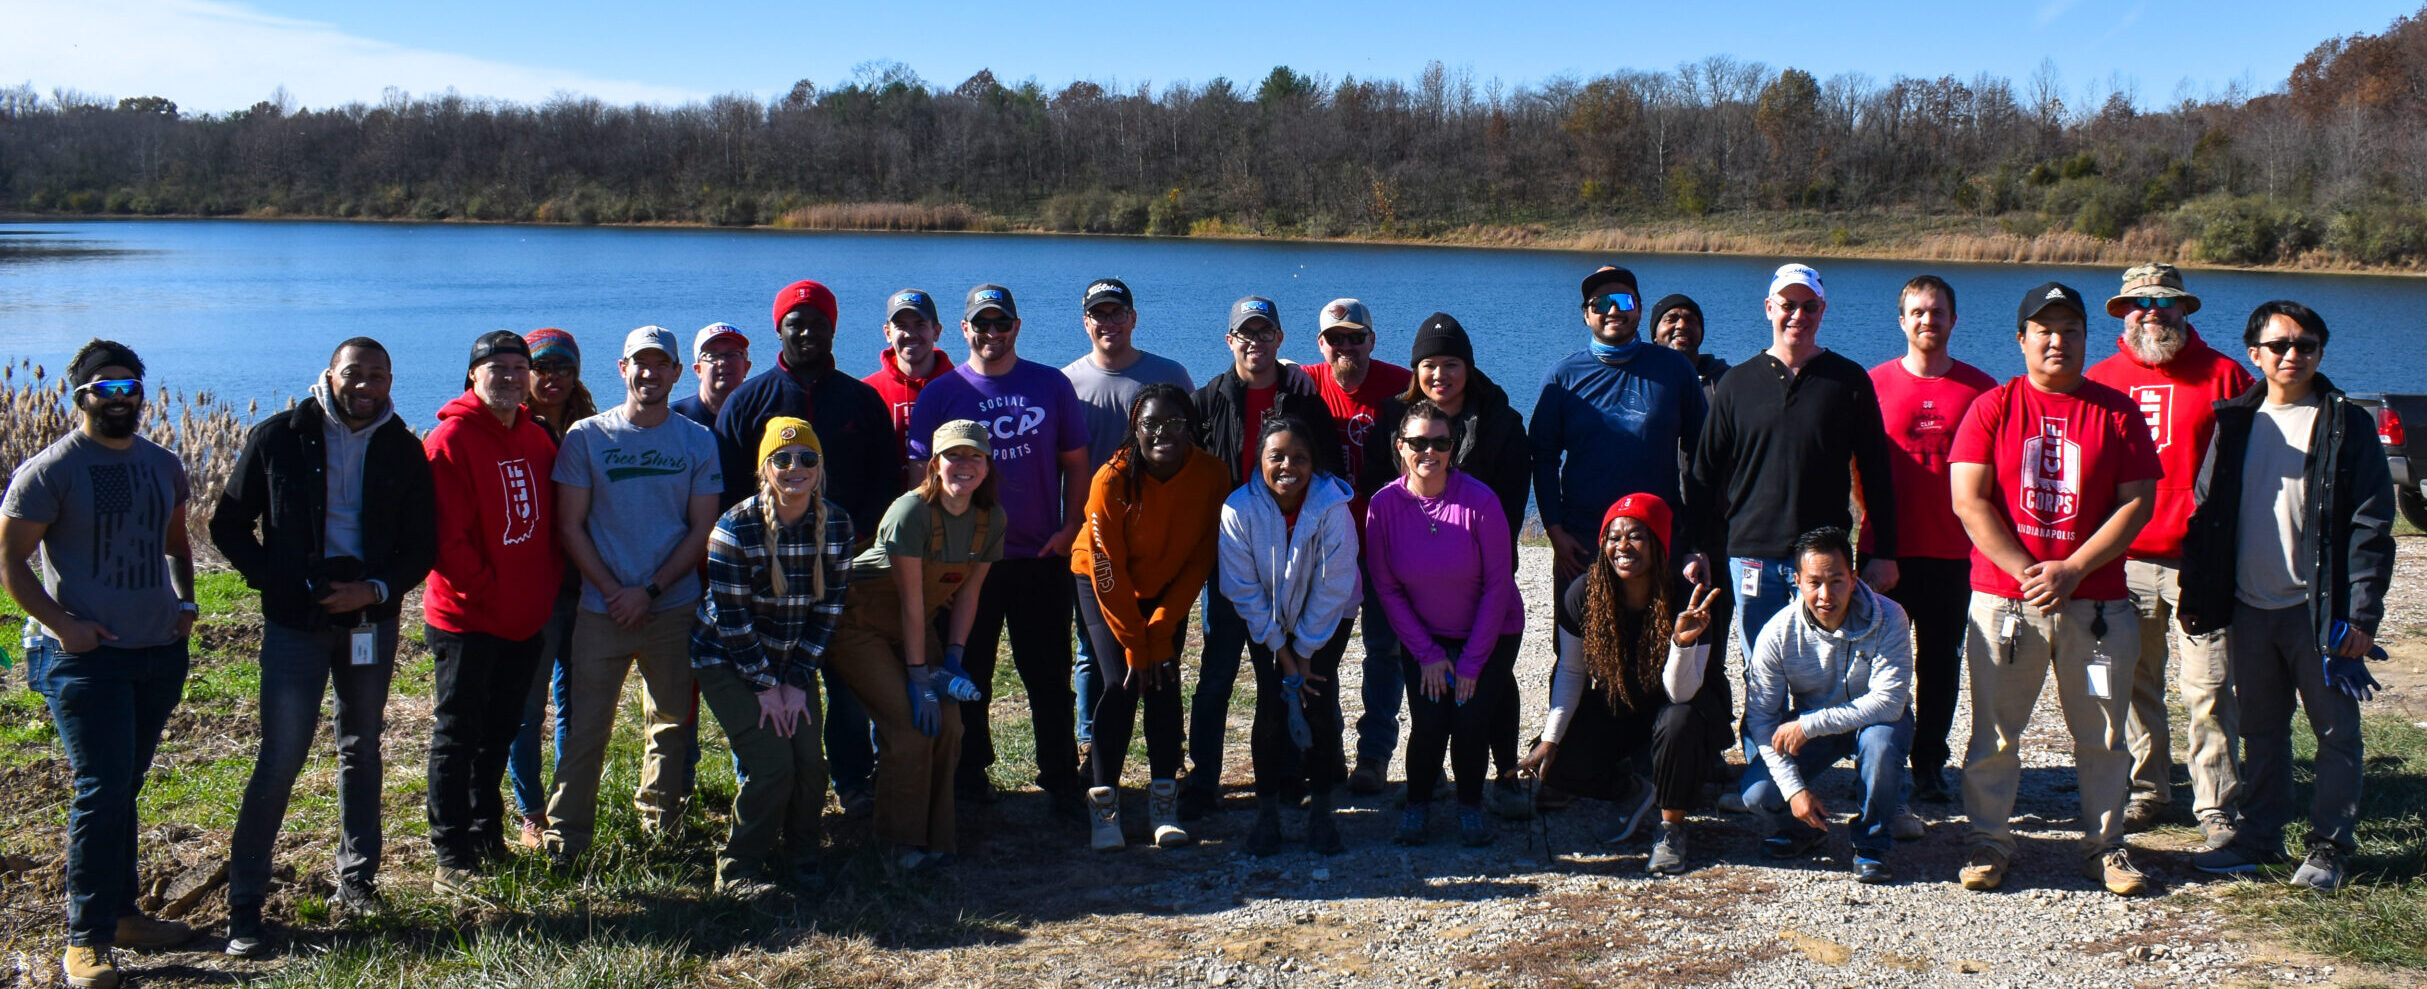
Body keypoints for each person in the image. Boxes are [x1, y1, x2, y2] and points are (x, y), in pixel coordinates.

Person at [210, 337, 435, 956]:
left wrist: (374, 588)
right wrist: (282, 582)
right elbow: (227, 525)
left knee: (362, 748)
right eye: (353, 374)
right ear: (329, 376)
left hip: (370, 620)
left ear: (391, 381)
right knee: (281, 756)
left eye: (378, 375)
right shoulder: (278, 437)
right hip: (295, 622)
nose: (365, 386)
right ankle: (245, 904)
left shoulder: (403, 448)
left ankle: (357, 881)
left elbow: (422, 544)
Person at [1949, 282, 2161, 896]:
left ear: (2087, 340)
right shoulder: (1992, 407)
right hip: (2006, 603)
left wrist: (2073, 569)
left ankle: (2106, 846)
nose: (2057, 341)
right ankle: (1989, 840)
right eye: (2044, 330)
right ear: (2022, 339)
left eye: (2070, 330)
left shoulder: (2116, 412)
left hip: (2097, 606)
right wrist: (2031, 573)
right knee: (1994, 731)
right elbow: (1969, 501)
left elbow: (2137, 504)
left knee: (2104, 732)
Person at [2, 340, 199, 988]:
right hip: (84, 661)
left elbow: (176, 543)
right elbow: (11, 562)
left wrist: (186, 604)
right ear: (82, 395)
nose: (120, 399)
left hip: (157, 652)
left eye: (129, 387)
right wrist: (64, 626)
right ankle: (85, 940)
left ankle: (121, 914)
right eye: (105, 388)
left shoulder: (164, 465)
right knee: (102, 788)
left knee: (123, 786)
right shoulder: (50, 471)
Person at [2185, 301, 2395, 891]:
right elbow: (2208, 510)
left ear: (2321, 352)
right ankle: (2259, 838)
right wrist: (2200, 594)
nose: (2292, 355)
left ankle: (2330, 848)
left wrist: (2360, 615)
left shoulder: (2345, 424)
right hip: (2250, 608)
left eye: (2306, 345)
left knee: (2335, 734)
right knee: (2262, 731)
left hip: (2319, 614)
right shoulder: (2235, 422)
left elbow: (2371, 525)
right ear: (2255, 354)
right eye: (2279, 346)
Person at [905, 283, 1093, 816]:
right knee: (970, 673)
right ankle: (969, 778)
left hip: (1039, 557)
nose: (992, 333)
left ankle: (1060, 777)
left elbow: (1076, 462)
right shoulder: (941, 393)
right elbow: (920, 476)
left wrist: (1071, 525)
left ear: (1016, 326)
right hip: (966, 563)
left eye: (1001, 323)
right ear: (964, 329)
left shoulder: (1050, 385)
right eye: (981, 324)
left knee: (1048, 676)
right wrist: (937, 550)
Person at [2083, 263, 2254, 845]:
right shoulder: (2101, 380)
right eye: (2140, 304)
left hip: (2200, 562)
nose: (2152, 313)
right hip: (2123, 561)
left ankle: (2215, 805)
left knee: (2208, 687)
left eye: (2164, 302)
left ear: (2184, 309)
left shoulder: (2225, 375)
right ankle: (2148, 790)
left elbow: (2250, 469)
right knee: (2132, 682)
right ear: (2122, 314)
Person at [717, 280, 897, 818]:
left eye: (818, 323)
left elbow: (885, 481)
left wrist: (855, 540)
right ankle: (765, 784)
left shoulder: (860, 400)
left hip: (845, 565)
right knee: (768, 685)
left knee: (846, 685)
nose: (807, 332)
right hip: (766, 575)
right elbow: (727, 487)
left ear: (833, 329)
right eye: (796, 323)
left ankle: (852, 780)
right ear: (779, 330)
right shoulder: (748, 401)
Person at [544, 326, 724, 863]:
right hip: (601, 610)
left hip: (672, 607)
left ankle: (660, 827)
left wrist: (650, 589)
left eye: (661, 363)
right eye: (639, 363)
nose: (650, 373)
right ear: (622, 369)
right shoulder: (587, 437)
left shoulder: (697, 440)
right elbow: (570, 525)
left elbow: (701, 528)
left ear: (676, 372)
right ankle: (566, 837)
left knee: (669, 724)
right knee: (586, 727)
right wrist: (613, 591)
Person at [1358, 313, 1532, 811]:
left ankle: (1505, 773)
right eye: (1429, 365)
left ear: (1468, 368)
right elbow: (1379, 488)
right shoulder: (1394, 418)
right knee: (1421, 678)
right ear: (1416, 370)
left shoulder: (1499, 421)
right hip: (1413, 574)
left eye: (1451, 364)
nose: (1440, 375)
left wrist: (1490, 562)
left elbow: (1512, 506)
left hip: (1482, 567)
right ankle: (1425, 773)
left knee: (1492, 680)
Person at [1183, 295, 1342, 820]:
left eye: (1264, 332)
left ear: (1279, 339)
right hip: (1230, 557)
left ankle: (1289, 775)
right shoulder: (1208, 400)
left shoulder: (1303, 401)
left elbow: (1330, 472)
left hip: (1291, 558)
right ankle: (1203, 780)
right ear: (1230, 340)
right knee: (1218, 674)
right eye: (1245, 334)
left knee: (1284, 673)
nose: (1255, 342)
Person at [1690, 262, 1900, 657]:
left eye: (1809, 306)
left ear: (1822, 311)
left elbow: (1876, 471)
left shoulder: (1848, 381)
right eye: (1788, 305)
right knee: (1761, 667)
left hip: (1824, 557)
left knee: (1825, 665)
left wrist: (1885, 551)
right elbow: (1705, 473)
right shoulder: (1737, 384)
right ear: (1769, 308)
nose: (1798, 316)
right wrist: (1696, 546)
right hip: (1753, 555)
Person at [821, 420, 1003, 870]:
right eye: (953, 455)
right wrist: (920, 676)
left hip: (916, 628)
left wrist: (954, 657)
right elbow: (909, 600)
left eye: (974, 456)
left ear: (987, 465)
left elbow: (969, 595)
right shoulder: (911, 512)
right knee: (907, 723)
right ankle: (897, 843)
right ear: (935, 464)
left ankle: (936, 834)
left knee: (949, 723)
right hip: (859, 625)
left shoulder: (991, 519)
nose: (964, 465)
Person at [421, 330, 564, 894]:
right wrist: (490, 591)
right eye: (496, 368)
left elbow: (552, 523)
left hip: (525, 617)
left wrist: (542, 589)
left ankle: (487, 836)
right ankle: (451, 853)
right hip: (467, 620)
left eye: (517, 368)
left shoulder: (536, 437)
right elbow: (446, 539)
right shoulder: (449, 440)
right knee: (458, 735)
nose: (508, 377)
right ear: (473, 375)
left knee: (500, 732)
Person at [1517, 493, 1725, 876]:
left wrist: (1681, 642)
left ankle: (1671, 827)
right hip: (1624, 702)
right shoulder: (1584, 593)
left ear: (1659, 544)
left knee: (1677, 720)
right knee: (1553, 762)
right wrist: (1551, 739)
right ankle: (1632, 787)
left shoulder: (1687, 598)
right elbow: (1572, 671)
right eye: (1613, 537)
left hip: (1682, 714)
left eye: (1636, 536)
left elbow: (1681, 694)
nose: (1623, 546)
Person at [691, 417, 855, 896]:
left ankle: (803, 855)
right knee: (772, 765)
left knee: (810, 763)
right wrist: (766, 687)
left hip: (791, 662)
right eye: (781, 459)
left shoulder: (837, 525)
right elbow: (732, 621)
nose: (794, 467)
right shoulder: (733, 528)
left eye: (806, 458)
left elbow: (829, 611)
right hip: (727, 659)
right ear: (765, 469)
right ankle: (738, 868)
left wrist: (796, 680)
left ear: (819, 467)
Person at [1072, 385, 1226, 851]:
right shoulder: (1111, 479)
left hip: (1165, 586)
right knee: (1121, 681)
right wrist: (1137, 645)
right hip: (1102, 582)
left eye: (1175, 423)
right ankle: (1104, 806)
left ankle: (1163, 804)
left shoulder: (1211, 475)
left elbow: (1201, 559)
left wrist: (1160, 630)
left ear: (1190, 427)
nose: (1163, 434)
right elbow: (1106, 569)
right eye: (1151, 424)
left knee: (1163, 679)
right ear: (1134, 429)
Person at [1865, 276, 1997, 806]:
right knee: (1881, 665)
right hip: (1885, 552)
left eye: (1937, 312)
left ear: (1953, 320)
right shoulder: (1873, 384)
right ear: (1902, 321)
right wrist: (1872, 543)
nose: (1928, 320)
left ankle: (1928, 764)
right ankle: (1882, 760)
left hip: (1953, 555)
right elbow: (1855, 468)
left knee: (1941, 664)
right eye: (1918, 312)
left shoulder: (1981, 389)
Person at [1369, 402, 1525, 848]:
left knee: (1470, 717)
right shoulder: (1383, 507)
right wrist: (1428, 654)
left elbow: (1498, 585)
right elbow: (1387, 589)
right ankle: (1417, 806)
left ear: (1452, 448)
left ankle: (1470, 807)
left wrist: (1472, 662)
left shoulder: (1481, 501)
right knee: (1430, 720)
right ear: (1400, 447)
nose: (1430, 452)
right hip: (1427, 635)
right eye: (1419, 442)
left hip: (1492, 630)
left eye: (1440, 442)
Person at [1061, 278, 1193, 784]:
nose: (1109, 322)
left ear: (1134, 318)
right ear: (1085, 322)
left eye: (1118, 312)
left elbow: (1192, 446)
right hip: (1096, 542)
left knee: (1164, 648)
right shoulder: (1068, 383)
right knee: (1092, 653)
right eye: (1099, 314)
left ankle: (1168, 750)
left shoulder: (1168, 374)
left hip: (1161, 543)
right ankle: (1091, 743)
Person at [1738, 527, 1916, 884]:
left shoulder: (1891, 616)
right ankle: (1804, 829)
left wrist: (1809, 725)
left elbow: (1889, 701)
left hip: (1874, 722)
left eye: (1836, 581)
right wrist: (1794, 790)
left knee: (1880, 744)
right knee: (1757, 793)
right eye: (1814, 582)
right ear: (1797, 582)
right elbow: (1761, 719)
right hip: (1815, 725)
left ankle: (1871, 844)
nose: (1825, 595)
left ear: (1853, 578)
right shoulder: (1777, 633)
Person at [1220, 415, 1362, 855]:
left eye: (1299, 458)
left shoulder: (1332, 506)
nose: (1288, 467)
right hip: (1268, 620)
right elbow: (1241, 588)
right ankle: (1268, 816)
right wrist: (1282, 653)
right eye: (1276, 456)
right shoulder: (1238, 509)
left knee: (1316, 701)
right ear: (1259, 460)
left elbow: (1334, 585)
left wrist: (1304, 652)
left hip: (1328, 617)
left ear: (1313, 463)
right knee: (1270, 704)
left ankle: (1321, 813)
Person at [1532, 266, 1708, 590]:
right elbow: (1543, 460)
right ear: (1586, 315)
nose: (1613, 310)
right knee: (1582, 623)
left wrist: (1696, 542)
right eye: (1601, 303)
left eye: (1624, 301)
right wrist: (1556, 532)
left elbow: (1701, 457)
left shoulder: (1675, 370)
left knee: (1658, 624)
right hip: (1583, 541)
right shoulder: (1562, 378)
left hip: (1658, 537)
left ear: (1639, 309)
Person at [506, 327, 593, 849]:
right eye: (541, 367)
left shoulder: (590, 428)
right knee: (526, 705)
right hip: (533, 588)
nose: (552, 376)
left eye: (563, 366)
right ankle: (531, 810)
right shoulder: (512, 428)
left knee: (575, 703)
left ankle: (566, 803)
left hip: (582, 584)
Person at [863, 288, 955, 487]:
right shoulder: (866, 393)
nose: (910, 334)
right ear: (887, 332)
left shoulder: (960, 388)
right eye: (901, 326)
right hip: (886, 504)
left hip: (952, 503)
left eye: (920, 325)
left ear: (937, 331)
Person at [673, 322, 753, 429]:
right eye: (712, 356)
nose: (723, 362)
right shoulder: (674, 419)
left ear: (746, 367)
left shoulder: (761, 416)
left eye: (732, 354)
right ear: (698, 370)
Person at [1649, 293, 1729, 397]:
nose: (1682, 325)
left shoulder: (1726, 379)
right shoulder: (1640, 378)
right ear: (1655, 333)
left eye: (1690, 320)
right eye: (1671, 319)